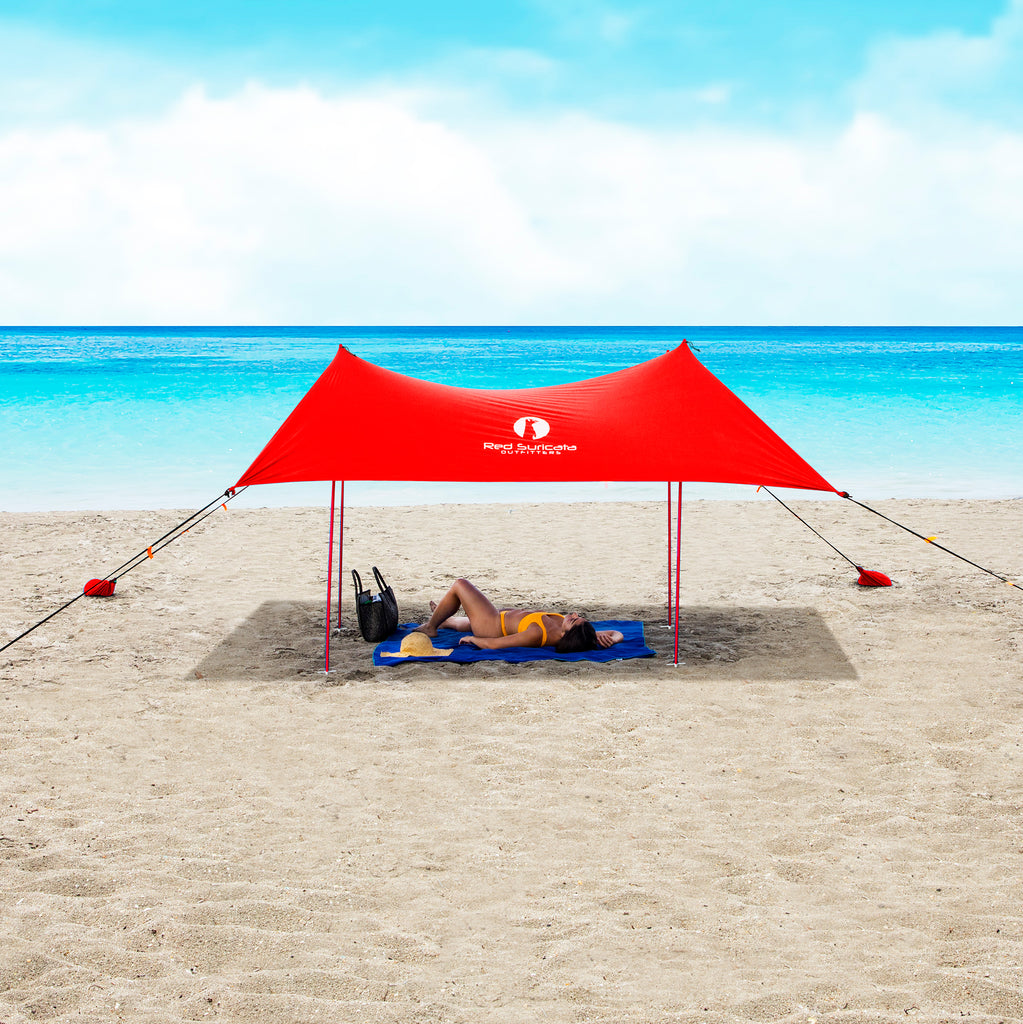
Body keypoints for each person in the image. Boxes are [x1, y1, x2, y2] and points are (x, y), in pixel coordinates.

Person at [414, 578, 623, 652]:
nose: (573, 614)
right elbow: (616, 632)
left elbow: (498, 644)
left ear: (571, 634)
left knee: (460, 585)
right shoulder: (575, 632)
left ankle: (431, 626)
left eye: (575, 619)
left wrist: (473, 639)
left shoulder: (536, 633)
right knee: (458, 622)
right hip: (498, 617)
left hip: (491, 625)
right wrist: (610, 640)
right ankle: (446, 620)